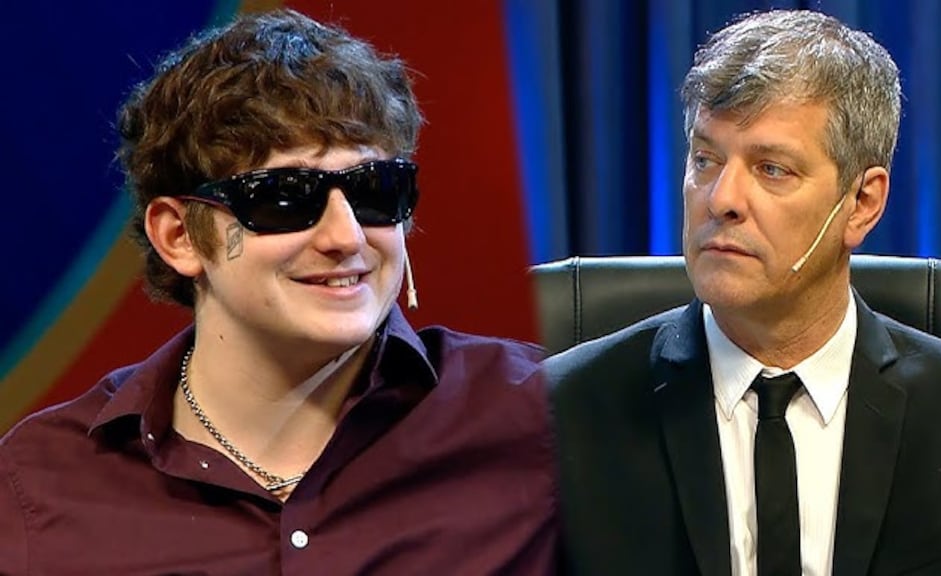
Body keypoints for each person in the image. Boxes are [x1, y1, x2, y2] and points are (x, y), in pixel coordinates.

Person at [0, 9, 556, 574]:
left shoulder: (545, 420)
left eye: (375, 189)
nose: (346, 237)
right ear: (178, 236)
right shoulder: (37, 488)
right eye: (287, 197)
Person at [547, 9, 941, 576]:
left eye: (772, 169)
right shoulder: (553, 419)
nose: (722, 198)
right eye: (706, 159)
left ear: (863, 203)